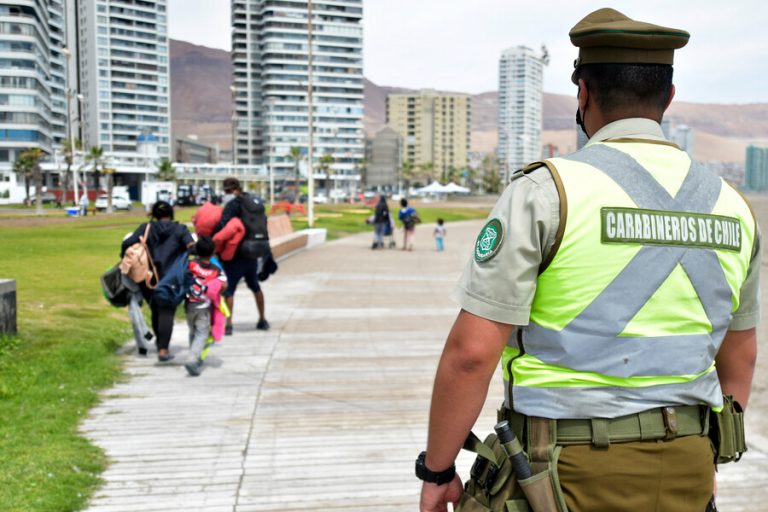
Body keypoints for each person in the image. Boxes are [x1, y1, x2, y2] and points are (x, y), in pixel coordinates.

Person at [418, 8, 761, 512]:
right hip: (686, 469)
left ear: (584, 94)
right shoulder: (734, 207)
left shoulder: (545, 192)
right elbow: (741, 357)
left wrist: (438, 469)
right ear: (667, 98)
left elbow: (471, 354)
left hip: (558, 476)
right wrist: (705, 460)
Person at [121, 201, 195, 362]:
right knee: (167, 312)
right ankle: (163, 350)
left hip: (147, 277)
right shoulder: (179, 229)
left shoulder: (145, 228)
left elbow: (127, 243)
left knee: (156, 309)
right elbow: (191, 247)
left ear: (154, 214)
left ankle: (160, 342)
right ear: (171, 214)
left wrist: (125, 258)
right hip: (172, 278)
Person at [212, 177, 270, 334]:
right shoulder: (253, 202)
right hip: (252, 254)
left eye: (226, 191)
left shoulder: (233, 205)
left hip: (235, 255)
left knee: (229, 290)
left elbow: (223, 226)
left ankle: (229, 324)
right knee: (255, 287)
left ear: (229, 190)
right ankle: (262, 319)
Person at [184, 235, 227, 377]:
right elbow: (224, 284)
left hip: (189, 304)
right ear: (213, 252)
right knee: (202, 333)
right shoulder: (216, 270)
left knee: (192, 331)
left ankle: (194, 356)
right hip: (204, 307)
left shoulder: (190, 264)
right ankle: (192, 359)